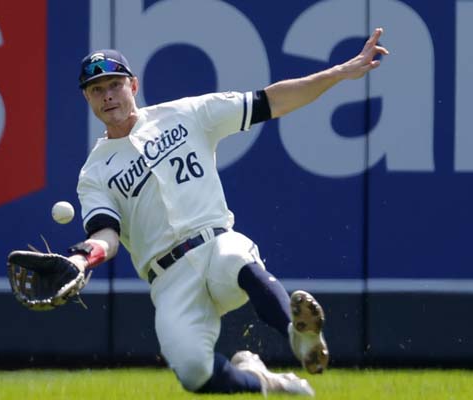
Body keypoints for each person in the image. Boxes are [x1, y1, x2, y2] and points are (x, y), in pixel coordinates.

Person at [64, 28, 389, 395]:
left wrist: (341, 72)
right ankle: (264, 382)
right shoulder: (93, 174)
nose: (107, 95)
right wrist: (82, 258)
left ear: (133, 86)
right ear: (87, 98)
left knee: (237, 259)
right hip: (168, 280)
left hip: (213, 243)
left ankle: (298, 336)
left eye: (114, 84)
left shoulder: (186, 114)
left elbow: (273, 101)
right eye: (96, 89)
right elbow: (105, 234)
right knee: (193, 373)